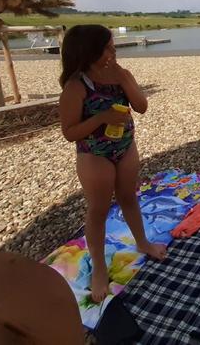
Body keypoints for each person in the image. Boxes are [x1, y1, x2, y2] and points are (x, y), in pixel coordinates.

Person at [58, 25, 167, 302]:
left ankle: (142, 243)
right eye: (107, 47)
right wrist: (101, 118)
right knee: (98, 209)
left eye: (113, 45)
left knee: (128, 196)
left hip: (125, 147)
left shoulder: (122, 75)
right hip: (94, 154)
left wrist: (124, 79)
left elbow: (141, 106)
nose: (114, 50)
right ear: (90, 51)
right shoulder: (76, 86)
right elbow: (69, 132)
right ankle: (99, 268)